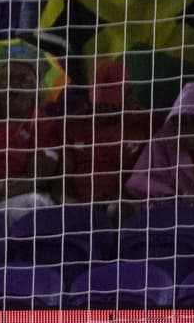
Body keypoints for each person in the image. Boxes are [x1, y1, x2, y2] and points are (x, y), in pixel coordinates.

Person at [0, 54, 63, 226]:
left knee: (34, 203)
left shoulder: (42, 124)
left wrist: (0, 193)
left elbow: (38, 176)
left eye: (24, 79)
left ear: (36, 89)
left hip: (11, 194)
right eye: (7, 79)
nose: (14, 84)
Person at [64, 60, 153, 214]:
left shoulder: (147, 124)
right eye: (99, 100)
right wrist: (67, 201)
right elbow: (64, 173)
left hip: (125, 205)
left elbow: (148, 176)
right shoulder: (73, 123)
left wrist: (120, 200)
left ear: (128, 92)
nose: (104, 105)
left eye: (111, 100)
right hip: (78, 205)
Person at [125, 80, 194, 203]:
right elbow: (141, 182)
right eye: (182, 125)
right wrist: (178, 197)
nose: (189, 135)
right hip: (173, 212)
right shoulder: (162, 142)